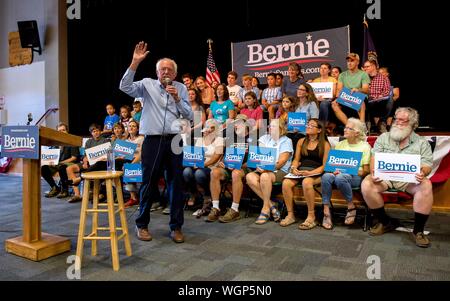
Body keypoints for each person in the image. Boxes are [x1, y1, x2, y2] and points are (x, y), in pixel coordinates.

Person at [119, 41, 193, 243]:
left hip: (175, 140)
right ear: (157, 72)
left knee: (175, 184)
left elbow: (189, 115)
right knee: (148, 183)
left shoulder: (180, 88)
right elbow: (124, 86)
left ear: (175, 74)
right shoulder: (146, 84)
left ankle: (176, 227)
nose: (165, 72)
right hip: (152, 140)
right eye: (162, 69)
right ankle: (141, 225)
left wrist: (178, 99)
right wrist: (135, 62)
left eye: (169, 69)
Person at [361, 107, 433, 248]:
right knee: (367, 184)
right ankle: (385, 222)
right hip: (385, 177)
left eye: (403, 120)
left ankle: (418, 231)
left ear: (413, 123)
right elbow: (374, 158)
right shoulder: (383, 138)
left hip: (408, 180)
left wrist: (423, 172)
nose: (397, 122)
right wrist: (374, 173)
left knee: (426, 185)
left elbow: (427, 165)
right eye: (396, 119)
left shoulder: (421, 142)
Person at [321, 118, 371, 229]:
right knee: (326, 176)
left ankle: (350, 205)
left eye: (349, 128)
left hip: (356, 176)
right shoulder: (340, 144)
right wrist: (334, 169)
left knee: (340, 178)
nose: (345, 129)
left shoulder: (365, 147)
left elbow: (366, 171)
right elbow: (333, 165)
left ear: (357, 133)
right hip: (339, 174)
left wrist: (348, 169)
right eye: (345, 127)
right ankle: (326, 209)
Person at [281, 118, 330, 229]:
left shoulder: (325, 144)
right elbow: (296, 159)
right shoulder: (301, 141)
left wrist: (310, 173)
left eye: (312, 125)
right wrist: (293, 168)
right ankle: (290, 215)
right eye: (308, 125)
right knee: (286, 183)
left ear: (319, 130)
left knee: (307, 182)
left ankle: (311, 216)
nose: (308, 126)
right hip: (302, 171)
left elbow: (325, 166)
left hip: (316, 172)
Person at [246, 119, 293, 225]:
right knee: (249, 176)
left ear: (281, 128)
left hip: (281, 170)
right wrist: (260, 166)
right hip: (264, 169)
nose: (269, 128)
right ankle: (272, 205)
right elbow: (261, 157)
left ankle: (265, 209)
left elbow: (281, 162)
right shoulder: (264, 138)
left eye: (273, 126)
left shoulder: (286, 141)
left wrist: (267, 168)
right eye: (270, 126)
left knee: (265, 176)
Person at [208, 114, 254, 223]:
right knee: (214, 172)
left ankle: (234, 209)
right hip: (229, 166)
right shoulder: (230, 137)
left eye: (239, 123)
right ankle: (216, 207)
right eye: (235, 124)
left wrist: (240, 165)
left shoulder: (253, 138)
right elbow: (224, 155)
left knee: (236, 173)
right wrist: (222, 162)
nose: (236, 126)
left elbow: (254, 159)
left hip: (245, 167)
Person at [184, 118, 224, 218]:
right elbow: (196, 154)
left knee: (199, 174)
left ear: (215, 130)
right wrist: (193, 162)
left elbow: (216, 157)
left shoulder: (219, 140)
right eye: (206, 129)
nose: (207, 131)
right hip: (198, 165)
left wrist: (203, 165)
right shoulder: (200, 140)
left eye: (210, 129)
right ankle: (193, 193)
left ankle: (207, 195)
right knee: (186, 171)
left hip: (211, 167)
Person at [41, 122, 80, 199]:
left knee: (62, 167)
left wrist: (60, 162)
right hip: (57, 163)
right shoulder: (56, 142)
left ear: (67, 131)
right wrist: (50, 162)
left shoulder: (72, 141)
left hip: (70, 163)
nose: (61, 132)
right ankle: (55, 187)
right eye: (60, 131)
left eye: (63, 130)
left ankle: (65, 190)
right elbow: (52, 155)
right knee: (44, 168)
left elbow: (74, 158)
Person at [332, 53, 370, 127]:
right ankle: (350, 126)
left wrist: (358, 90)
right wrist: (337, 98)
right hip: (346, 96)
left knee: (360, 101)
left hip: (359, 96)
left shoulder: (363, 74)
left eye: (352, 61)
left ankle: (362, 126)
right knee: (334, 104)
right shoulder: (342, 75)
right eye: (348, 61)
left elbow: (366, 90)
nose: (349, 63)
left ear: (357, 62)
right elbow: (339, 89)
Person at [363, 60, 391, 133]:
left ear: (373, 66)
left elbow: (387, 91)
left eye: (367, 66)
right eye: (364, 67)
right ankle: (365, 126)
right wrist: (372, 96)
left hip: (380, 101)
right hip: (367, 101)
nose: (365, 68)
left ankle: (381, 121)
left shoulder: (384, 78)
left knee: (390, 99)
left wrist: (380, 96)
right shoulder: (362, 78)